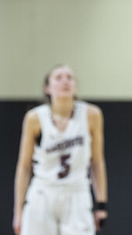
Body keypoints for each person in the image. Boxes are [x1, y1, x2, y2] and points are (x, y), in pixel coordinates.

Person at [12, 64, 108, 235]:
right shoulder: (34, 118)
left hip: (77, 192)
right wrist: (18, 211)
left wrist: (101, 203)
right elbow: (24, 165)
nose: (65, 81)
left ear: (75, 85)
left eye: (69, 77)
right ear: (47, 88)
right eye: (59, 77)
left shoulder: (92, 114)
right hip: (43, 192)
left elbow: (97, 162)